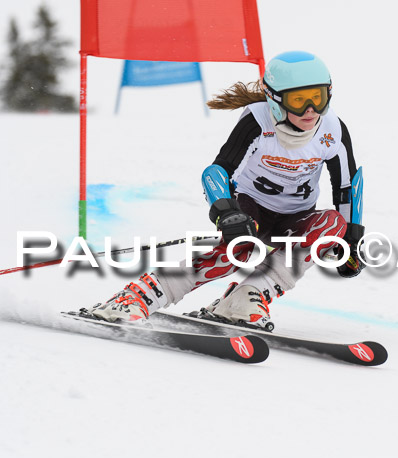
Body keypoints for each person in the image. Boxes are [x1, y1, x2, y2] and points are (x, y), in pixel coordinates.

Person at [84, 51, 365, 330]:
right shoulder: (258, 121)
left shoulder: (333, 130)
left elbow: (346, 187)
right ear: (275, 99)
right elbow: (218, 171)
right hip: (251, 206)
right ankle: (138, 297)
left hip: (295, 216)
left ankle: (245, 299)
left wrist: (351, 240)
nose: (310, 110)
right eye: (298, 100)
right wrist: (227, 212)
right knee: (240, 248)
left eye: (317, 98)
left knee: (332, 226)